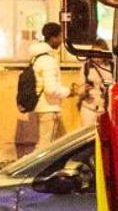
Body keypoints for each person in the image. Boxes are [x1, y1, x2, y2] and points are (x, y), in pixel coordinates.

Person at [27, 22, 70, 151]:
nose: (61, 41)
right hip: (48, 108)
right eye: (60, 37)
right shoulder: (47, 61)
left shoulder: (38, 58)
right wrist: (69, 92)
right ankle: (34, 170)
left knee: (51, 146)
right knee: (45, 147)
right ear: (53, 38)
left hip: (44, 108)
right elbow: (50, 89)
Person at [78, 40, 112, 128]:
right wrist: (84, 90)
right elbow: (80, 88)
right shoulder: (86, 67)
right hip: (89, 108)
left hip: (106, 109)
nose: (96, 57)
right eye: (93, 53)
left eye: (99, 53)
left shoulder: (112, 67)